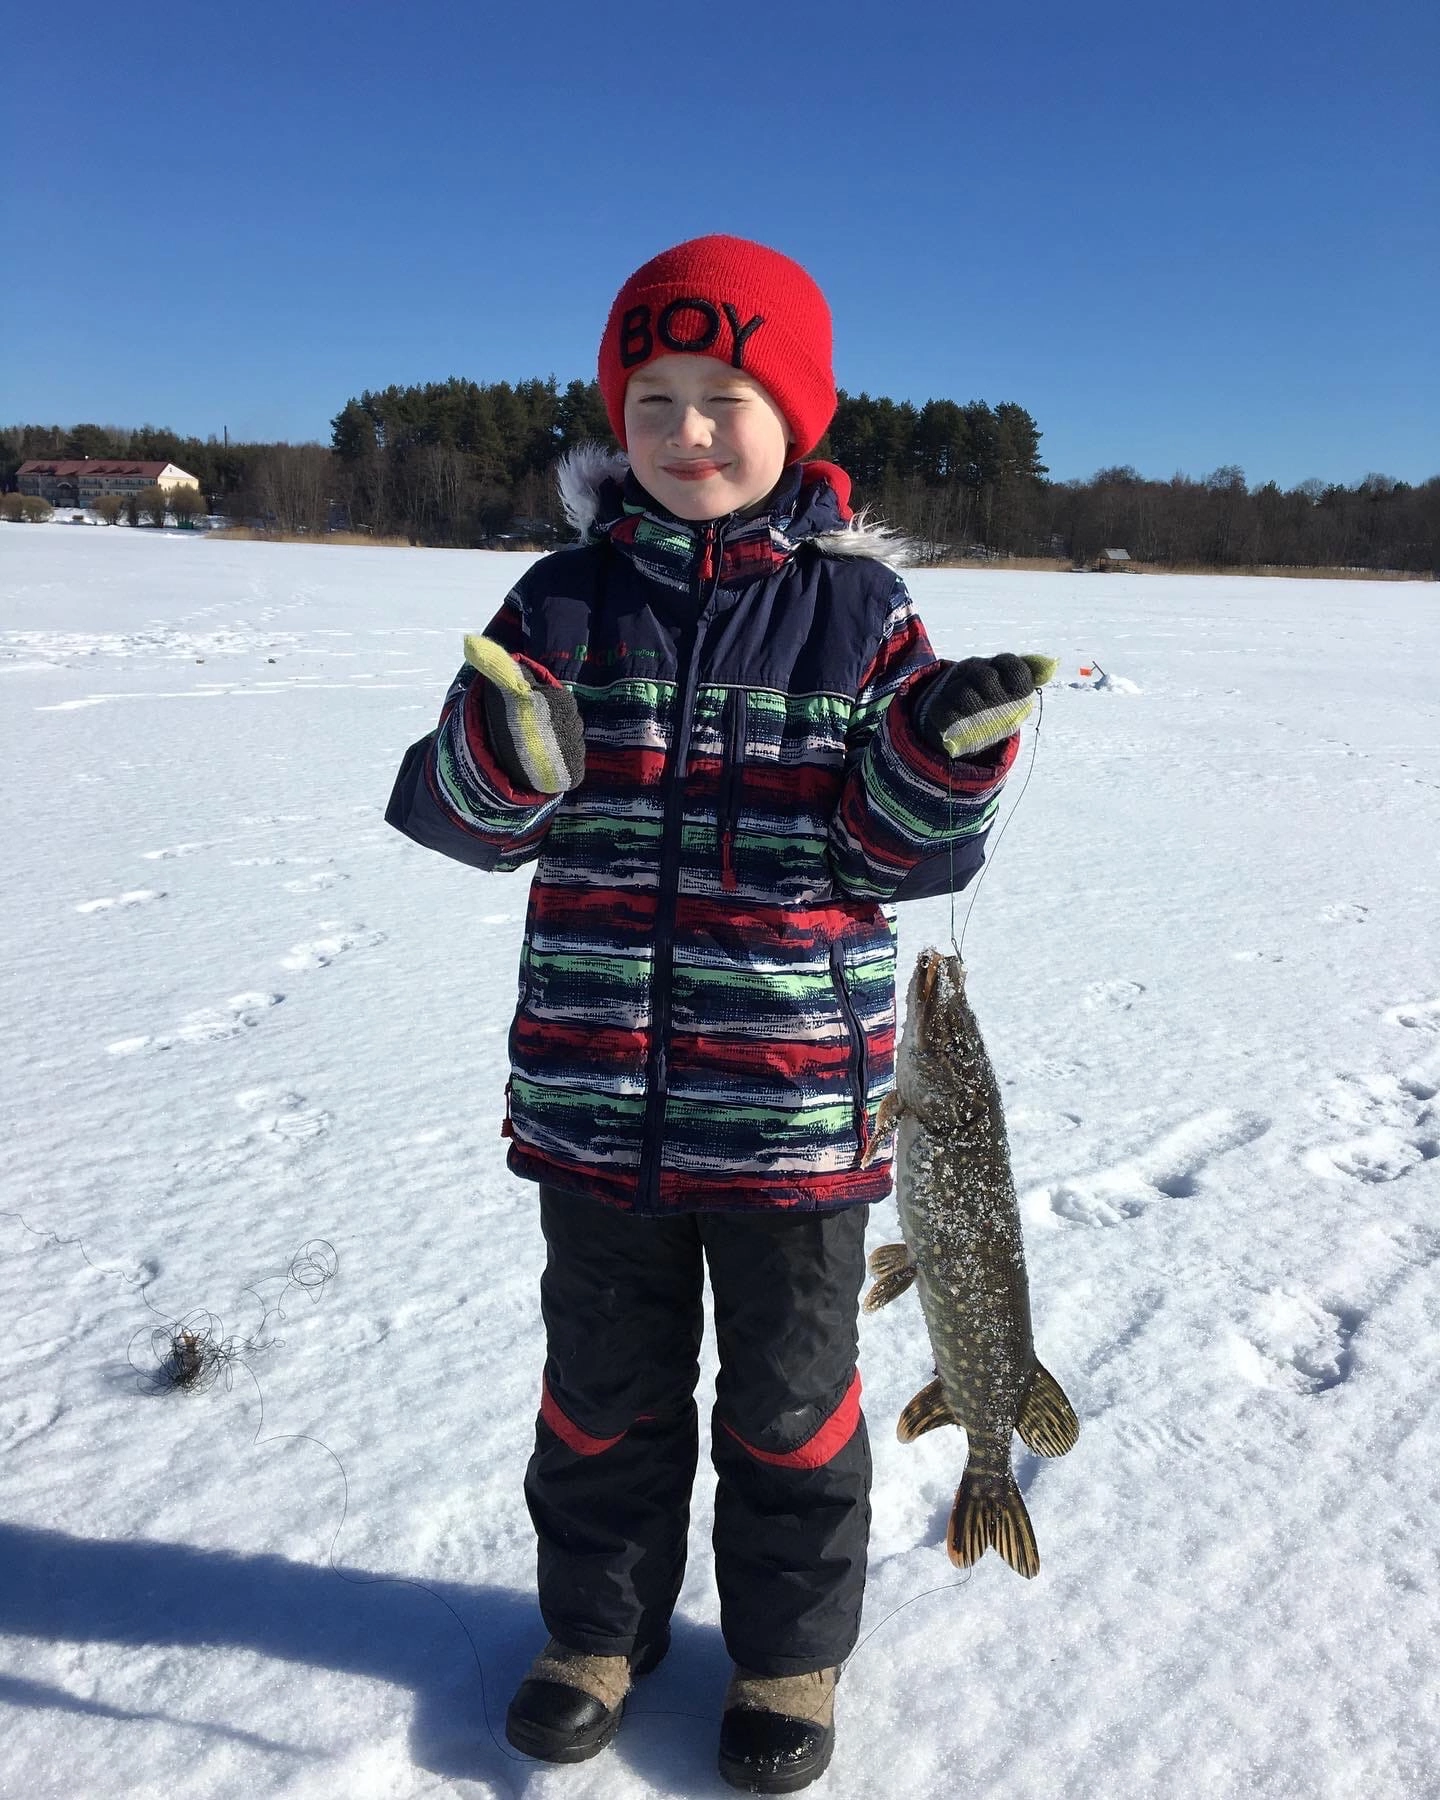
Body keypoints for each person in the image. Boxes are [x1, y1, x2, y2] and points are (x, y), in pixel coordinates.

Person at [387, 234, 1038, 1793]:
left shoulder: (858, 612)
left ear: (793, 420)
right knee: (598, 1402)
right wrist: (509, 757)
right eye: (653, 398)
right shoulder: (561, 599)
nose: (684, 432)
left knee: (790, 1411)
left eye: (723, 397)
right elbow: (466, 816)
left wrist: (941, 756)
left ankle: (790, 1659)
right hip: (597, 1104)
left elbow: (892, 852)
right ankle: (597, 1636)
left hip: (797, 1117)